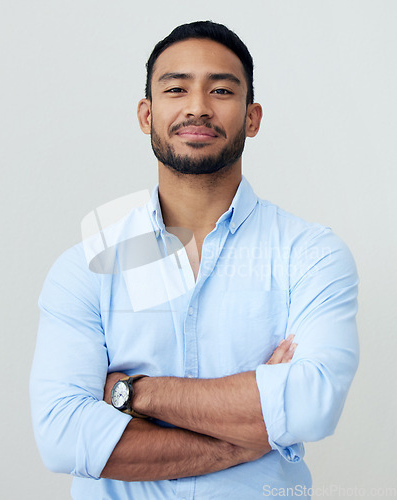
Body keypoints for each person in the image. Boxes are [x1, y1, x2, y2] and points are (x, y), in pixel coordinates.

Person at [30, 21, 359, 500]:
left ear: (252, 117)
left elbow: (312, 407)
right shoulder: (86, 266)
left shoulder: (309, 254)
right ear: (147, 115)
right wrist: (249, 436)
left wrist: (134, 393)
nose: (198, 107)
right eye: (176, 88)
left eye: (221, 90)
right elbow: (63, 438)